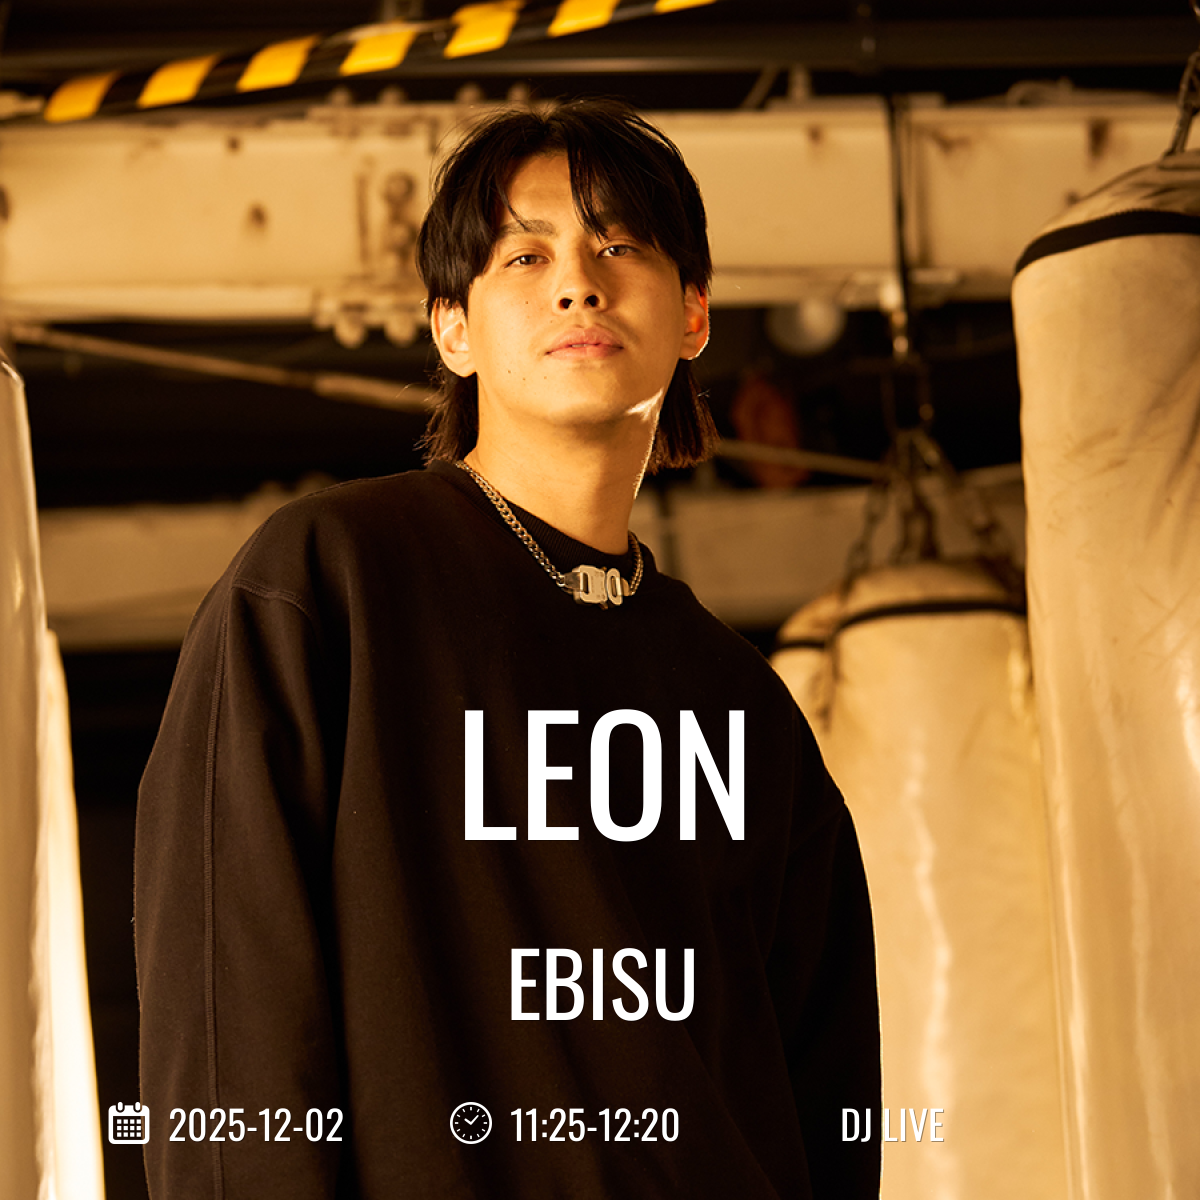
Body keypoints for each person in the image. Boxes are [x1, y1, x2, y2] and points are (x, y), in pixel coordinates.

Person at [135, 97, 880, 1199]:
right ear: (453, 330)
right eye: (525, 256)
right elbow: (226, 1006)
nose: (578, 282)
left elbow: (823, 1090)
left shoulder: (742, 704)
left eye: (620, 246)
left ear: (693, 314)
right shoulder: (328, 584)